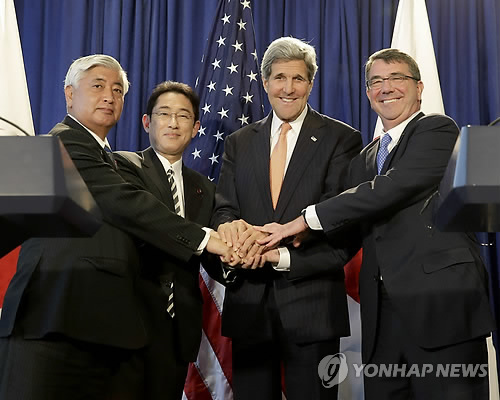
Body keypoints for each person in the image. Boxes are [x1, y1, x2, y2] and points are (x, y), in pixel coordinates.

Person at [258, 48, 496, 399]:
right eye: (376, 81)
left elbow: (392, 187)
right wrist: (278, 255)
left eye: (397, 78)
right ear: (368, 93)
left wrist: (305, 219)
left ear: (419, 87)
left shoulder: (437, 129)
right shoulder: (363, 160)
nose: (386, 88)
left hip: (440, 312)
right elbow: (345, 238)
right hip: (381, 324)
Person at [0, 55, 233, 400]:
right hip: (47, 323)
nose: (109, 96)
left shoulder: (108, 159)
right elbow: (125, 202)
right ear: (69, 94)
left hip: (92, 330)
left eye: (118, 90)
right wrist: (206, 239)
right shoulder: (62, 142)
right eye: (98, 86)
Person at [212, 37, 362, 400]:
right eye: (280, 78)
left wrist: (279, 255)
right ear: (265, 82)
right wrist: (235, 237)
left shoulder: (341, 139)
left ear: (310, 83)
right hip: (249, 303)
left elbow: (340, 220)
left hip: (312, 305)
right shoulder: (238, 142)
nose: (288, 88)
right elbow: (225, 208)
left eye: (298, 79)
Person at [113, 81, 224, 399]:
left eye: (183, 115)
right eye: (164, 114)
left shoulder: (205, 189)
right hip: (129, 322)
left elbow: (211, 258)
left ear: (196, 127)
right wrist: (207, 239)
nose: (173, 123)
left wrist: (242, 253)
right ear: (147, 122)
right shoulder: (122, 167)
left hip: (179, 330)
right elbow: (149, 225)